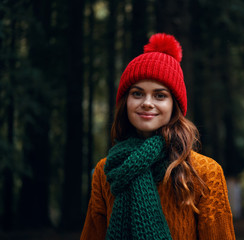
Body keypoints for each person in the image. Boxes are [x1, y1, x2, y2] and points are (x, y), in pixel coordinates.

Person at [80, 33, 236, 240]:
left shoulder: (205, 173)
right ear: (125, 102)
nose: (147, 102)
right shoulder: (105, 171)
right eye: (137, 93)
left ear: (174, 105)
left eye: (160, 95)